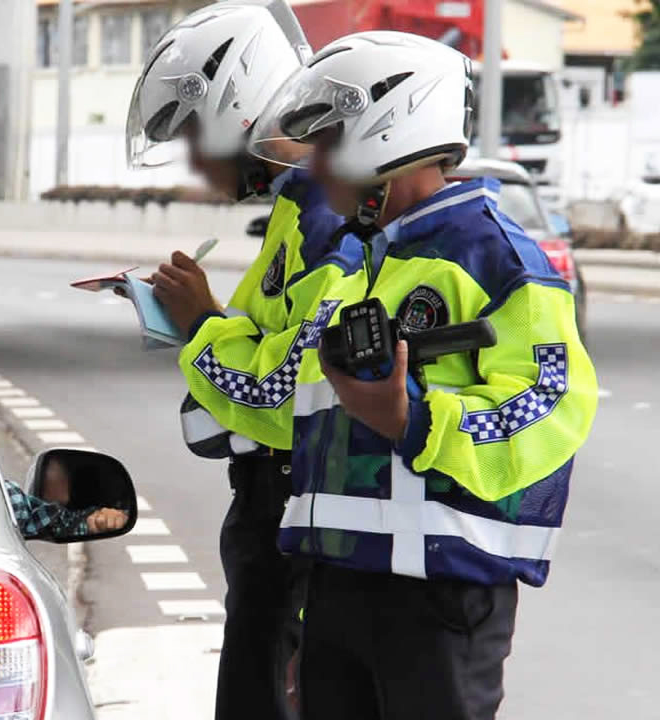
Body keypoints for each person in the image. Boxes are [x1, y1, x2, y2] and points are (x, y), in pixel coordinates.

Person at [247, 32, 599, 719]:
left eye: (328, 143)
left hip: (440, 596)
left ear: (387, 132)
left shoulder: (495, 256)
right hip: (336, 585)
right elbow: (301, 406)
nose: (316, 168)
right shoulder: (358, 262)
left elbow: (551, 403)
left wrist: (413, 421)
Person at [126, 3, 362, 718]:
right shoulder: (295, 213)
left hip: (298, 516)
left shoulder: (327, 222)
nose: (196, 161)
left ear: (242, 112)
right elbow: (269, 345)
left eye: (197, 136)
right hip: (275, 514)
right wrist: (206, 324)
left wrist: (201, 324)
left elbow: (289, 391)